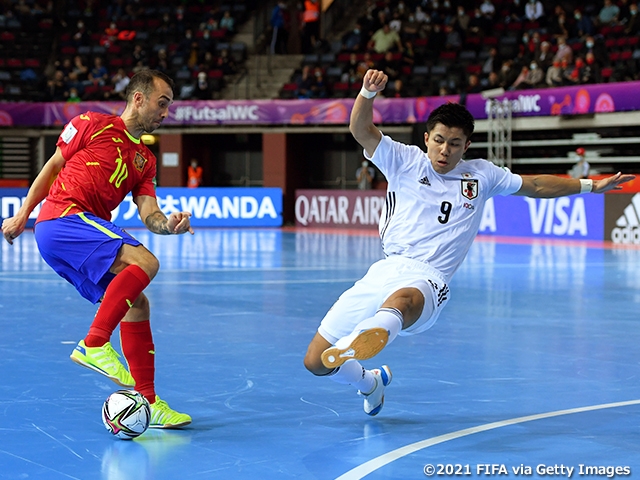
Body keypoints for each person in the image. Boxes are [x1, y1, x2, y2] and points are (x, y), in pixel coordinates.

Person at [302, 69, 634, 417]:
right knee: (315, 362)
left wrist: (591, 186)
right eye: (440, 140)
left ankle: (372, 332)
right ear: (427, 138)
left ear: (467, 146)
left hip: (430, 277)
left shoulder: (482, 174)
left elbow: (535, 185)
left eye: (455, 143)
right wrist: (367, 94)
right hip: (384, 269)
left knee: (403, 300)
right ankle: (370, 382)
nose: (446, 150)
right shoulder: (402, 159)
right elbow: (360, 129)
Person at [1, 69, 194, 428]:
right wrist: (22, 214)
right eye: (162, 103)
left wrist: (169, 225)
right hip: (64, 217)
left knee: (137, 303)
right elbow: (52, 166)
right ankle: (94, 343)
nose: (166, 113)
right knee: (146, 262)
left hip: (75, 232)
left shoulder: (145, 161)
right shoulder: (92, 123)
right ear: (138, 98)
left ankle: (150, 403)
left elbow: (149, 213)